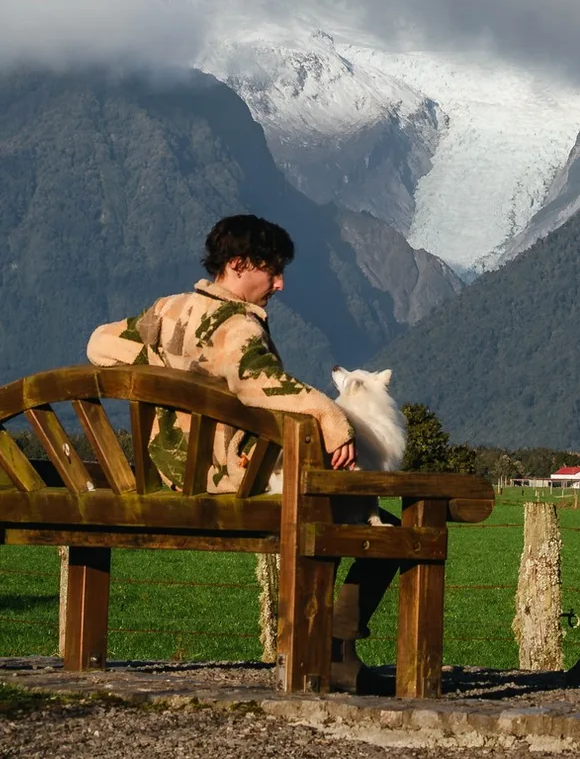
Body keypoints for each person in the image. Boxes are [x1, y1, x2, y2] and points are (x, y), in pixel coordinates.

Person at [86, 213, 389, 692]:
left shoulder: (169, 310)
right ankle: (335, 649)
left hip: (165, 474)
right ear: (239, 263)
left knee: (341, 509)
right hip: (225, 480)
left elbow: (99, 343)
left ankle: (333, 648)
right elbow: (264, 382)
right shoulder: (237, 329)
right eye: (272, 270)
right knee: (385, 525)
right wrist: (334, 419)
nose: (280, 284)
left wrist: (164, 365)